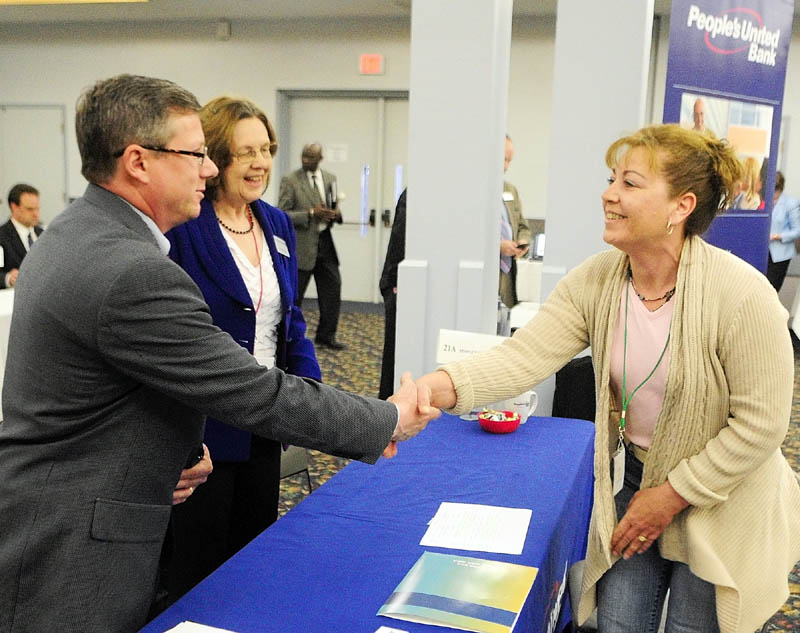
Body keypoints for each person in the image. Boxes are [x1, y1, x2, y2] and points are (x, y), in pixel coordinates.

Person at [0, 74, 437, 633]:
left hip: (70, 515)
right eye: (196, 154)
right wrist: (388, 417)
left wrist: (173, 454)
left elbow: (110, 390)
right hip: (74, 552)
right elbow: (249, 387)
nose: (210, 168)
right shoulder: (131, 270)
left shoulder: (77, 233)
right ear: (138, 161)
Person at [415, 124, 800, 633]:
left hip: (725, 496)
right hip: (639, 480)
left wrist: (669, 497)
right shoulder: (598, 279)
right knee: (617, 623)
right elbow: (523, 356)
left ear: (680, 207)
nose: (609, 194)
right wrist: (431, 389)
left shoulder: (743, 297)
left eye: (630, 184)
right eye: (611, 178)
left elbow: (761, 426)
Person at [163, 96, 322, 600]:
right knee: (200, 572)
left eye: (267, 149)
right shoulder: (186, 228)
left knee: (254, 561)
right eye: (245, 151)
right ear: (214, 158)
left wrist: (311, 391)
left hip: (264, 424)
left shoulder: (274, 224)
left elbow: (287, 318)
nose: (260, 163)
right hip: (203, 434)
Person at [278, 143, 345, 350]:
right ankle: (289, 338)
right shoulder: (290, 180)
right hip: (302, 246)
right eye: (304, 156)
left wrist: (336, 215)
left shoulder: (330, 179)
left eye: (311, 157)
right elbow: (282, 213)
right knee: (294, 297)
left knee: (332, 290)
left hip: (325, 243)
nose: (306, 160)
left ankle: (326, 336)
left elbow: (334, 209)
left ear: (320, 158)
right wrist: (310, 214)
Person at [379, 188, 406, 399]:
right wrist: (395, 282)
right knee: (394, 359)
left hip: (400, 283)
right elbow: (400, 240)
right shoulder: (415, 193)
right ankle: (388, 416)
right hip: (399, 285)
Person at [499, 135, 531, 308]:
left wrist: (523, 241)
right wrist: (498, 245)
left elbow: (522, 226)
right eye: (503, 159)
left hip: (507, 280)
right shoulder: (475, 190)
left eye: (509, 161)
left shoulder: (510, 190)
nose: (506, 166)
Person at [0, 183, 44, 288]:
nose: (36, 214)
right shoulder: (2, 236)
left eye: (37, 208)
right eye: (30, 209)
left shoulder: (43, 234)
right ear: (14, 207)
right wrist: (8, 278)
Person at [767, 170, 800, 291]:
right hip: (765, 251)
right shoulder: (763, 201)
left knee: (771, 288)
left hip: (780, 254)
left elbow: (797, 231)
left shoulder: (791, 203)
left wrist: (778, 236)